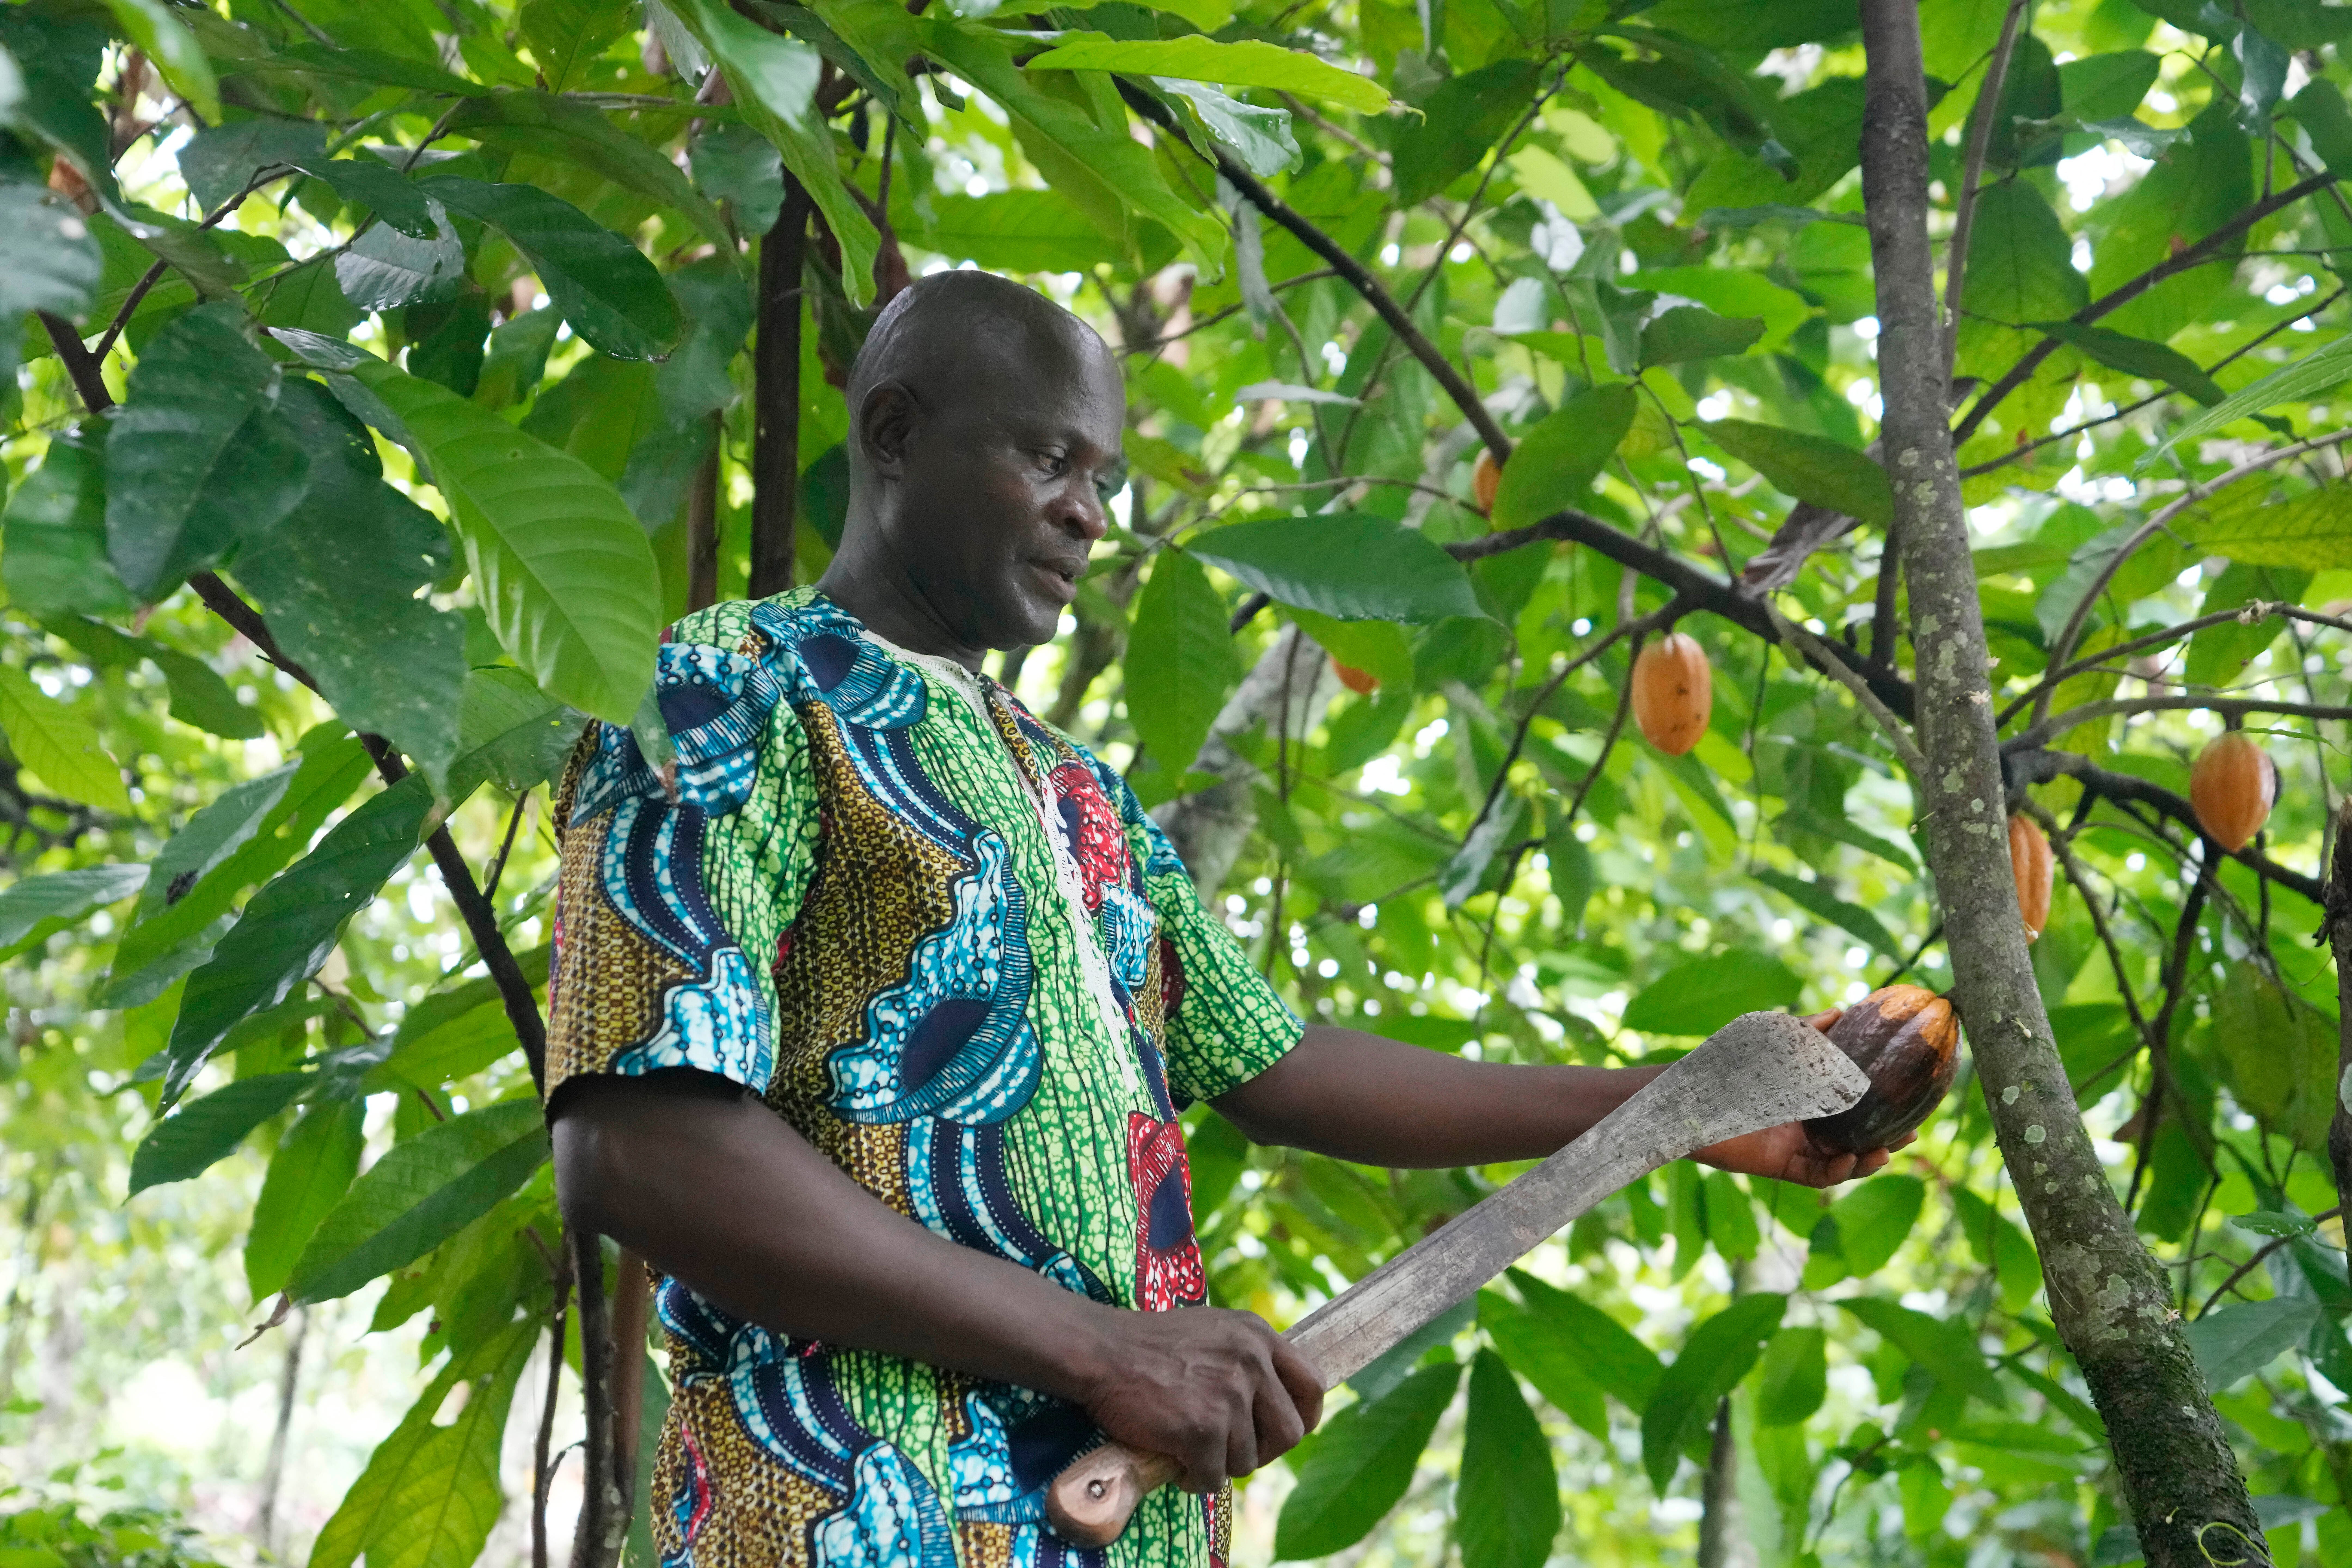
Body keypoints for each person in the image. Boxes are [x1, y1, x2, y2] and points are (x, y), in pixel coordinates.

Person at [544, 270, 1894, 1568]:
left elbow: (1280, 1067)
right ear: (895, 433)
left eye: (1107, 484)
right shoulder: (727, 688)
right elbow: (638, 1145)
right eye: (1050, 461)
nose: (1089, 516)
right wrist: (1103, 1350)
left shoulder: (1079, 792)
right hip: (851, 1508)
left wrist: (1681, 1105)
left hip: (1117, 1520)